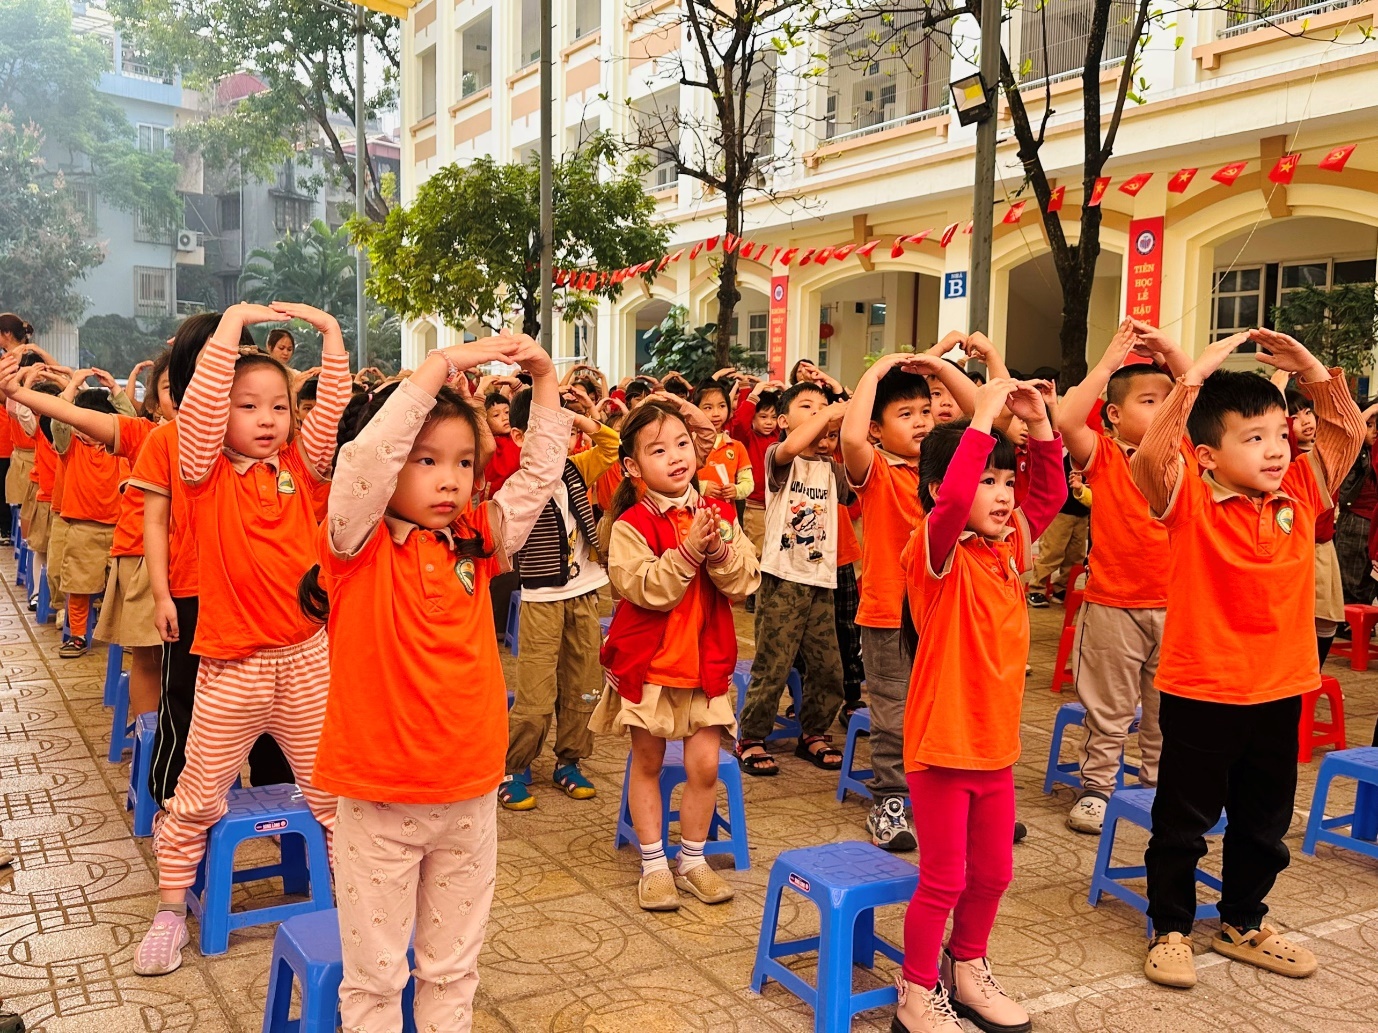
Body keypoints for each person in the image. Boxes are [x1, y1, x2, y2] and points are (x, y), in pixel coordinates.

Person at [300, 334, 564, 1033]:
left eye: (462, 463)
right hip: (380, 797)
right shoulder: (355, 541)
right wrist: (440, 367)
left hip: (470, 792)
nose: (449, 479)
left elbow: (539, 474)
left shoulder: (478, 537)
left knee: (451, 970)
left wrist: (544, 380)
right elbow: (363, 463)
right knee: (377, 979)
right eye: (426, 460)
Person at [1130, 327, 1363, 988]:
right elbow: (1151, 456)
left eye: (1278, 436)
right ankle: (1170, 924)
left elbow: (1344, 435)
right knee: (1182, 822)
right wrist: (1192, 378)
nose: (1273, 450)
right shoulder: (1191, 500)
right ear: (1206, 455)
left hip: (1280, 687)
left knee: (1264, 821)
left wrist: (1314, 369)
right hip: (1202, 687)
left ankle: (1242, 920)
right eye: (1252, 438)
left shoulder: (1301, 491)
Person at [134, 301, 351, 976]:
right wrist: (233, 323)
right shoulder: (204, 474)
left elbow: (331, 408)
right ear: (218, 412)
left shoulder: (300, 469)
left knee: (334, 796)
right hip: (231, 667)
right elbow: (196, 413)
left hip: (307, 659)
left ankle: (357, 908)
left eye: (278, 407)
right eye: (247, 406)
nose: (267, 419)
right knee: (198, 795)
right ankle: (170, 912)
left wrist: (331, 331)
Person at [892, 378, 1064, 1033]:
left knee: (992, 872)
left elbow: (1048, 492)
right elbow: (955, 497)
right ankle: (915, 991)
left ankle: (967, 969)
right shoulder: (934, 554)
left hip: (995, 747)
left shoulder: (1006, 551)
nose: (1002, 495)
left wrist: (1039, 424)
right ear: (941, 489)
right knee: (944, 878)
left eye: (1005, 481)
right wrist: (985, 412)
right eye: (988, 481)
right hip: (941, 747)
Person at [592, 400, 760, 911]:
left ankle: (692, 860)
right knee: (647, 760)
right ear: (632, 467)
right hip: (651, 668)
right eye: (658, 450)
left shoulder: (718, 515)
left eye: (682, 444)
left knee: (705, 765)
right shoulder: (630, 525)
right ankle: (653, 864)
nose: (675, 457)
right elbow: (643, 589)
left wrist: (720, 554)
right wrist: (687, 554)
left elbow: (746, 580)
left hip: (706, 664)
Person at [1055, 320, 1188, 834]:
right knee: (1109, 710)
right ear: (1114, 415)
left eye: (1167, 401)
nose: (1163, 410)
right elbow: (1067, 418)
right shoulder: (1106, 457)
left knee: (1165, 711)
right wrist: (1111, 359)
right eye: (1149, 401)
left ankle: (1156, 786)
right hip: (1112, 605)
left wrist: (1172, 353)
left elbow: (1199, 401)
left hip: (1177, 607)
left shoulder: (1188, 458)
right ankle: (1098, 786)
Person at [840, 350, 974, 851]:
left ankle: (947, 795)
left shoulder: (948, 467)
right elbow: (851, 436)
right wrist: (874, 372)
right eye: (905, 414)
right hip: (887, 610)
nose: (921, 421)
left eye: (926, 410)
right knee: (893, 713)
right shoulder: (875, 470)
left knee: (948, 707)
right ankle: (890, 801)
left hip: (944, 610)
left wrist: (940, 371)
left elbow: (986, 415)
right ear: (878, 429)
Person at [0, 354, 165, 709]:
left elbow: (127, 418)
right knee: (79, 587)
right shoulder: (69, 444)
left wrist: (115, 389)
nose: (90, 432)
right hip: (82, 527)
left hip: (119, 528)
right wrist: (69, 384)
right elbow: (63, 416)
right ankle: (77, 634)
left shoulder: (123, 445)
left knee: (112, 592)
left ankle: (113, 632)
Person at [498, 386, 618, 810]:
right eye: (540, 431)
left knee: (585, 686)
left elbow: (610, 443)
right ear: (518, 438)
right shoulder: (516, 488)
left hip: (585, 592)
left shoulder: (575, 469)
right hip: (541, 599)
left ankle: (570, 760)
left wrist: (579, 417)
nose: (554, 442)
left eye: (560, 431)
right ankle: (514, 766)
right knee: (535, 692)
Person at [736, 382, 850, 776]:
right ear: (783, 421)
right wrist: (828, 415)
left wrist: (839, 428)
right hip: (783, 578)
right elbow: (793, 444)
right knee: (774, 662)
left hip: (822, 580)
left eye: (823, 407)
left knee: (829, 667)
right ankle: (751, 736)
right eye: (807, 406)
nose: (819, 412)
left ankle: (813, 732)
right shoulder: (779, 460)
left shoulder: (833, 468)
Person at [724, 372, 784, 556]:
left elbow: (794, 421)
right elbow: (739, 422)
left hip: (780, 505)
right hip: (756, 508)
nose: (769, 422)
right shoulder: (747, 438)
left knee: (778, 552)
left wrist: (787, 393)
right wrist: (753, 393)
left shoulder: (780, 437)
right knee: (757, 553)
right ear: (753, 418)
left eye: (773, 418)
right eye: (763, 417)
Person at [1025, 452, 1089, 607]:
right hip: (1059, 512)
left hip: (1083, 513)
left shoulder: (1091, 459)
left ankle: (1062, 588)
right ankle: (1037, 589)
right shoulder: (1062, 455)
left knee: (1076, 556)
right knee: (1052, 552)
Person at [693, 379, 753, 525]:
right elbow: (677, 482)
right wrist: (701, 486)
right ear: (695, 410)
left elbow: (748, 483)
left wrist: (736, 490)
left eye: (721, 406)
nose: (716, 413)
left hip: (726, 520)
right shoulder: (688, 443)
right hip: (693, 516)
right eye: (708, 407)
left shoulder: (736, 446)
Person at [483, 392, 521, 498]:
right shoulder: (486, 443)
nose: (504, 418)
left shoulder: (518, 437)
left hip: (519, 497)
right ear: (485, 421)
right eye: (496, 415)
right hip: (494, 500)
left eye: (507, 412)